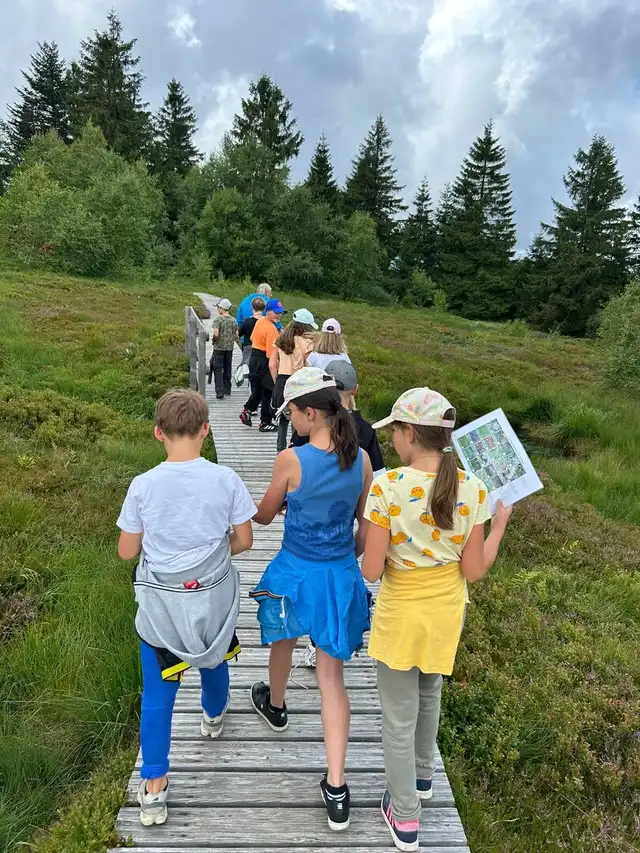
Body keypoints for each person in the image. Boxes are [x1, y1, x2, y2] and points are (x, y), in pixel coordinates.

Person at [360, 388, 512, 852]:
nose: (393, 443)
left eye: (396, 433)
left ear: (409, 433)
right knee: (430, 693)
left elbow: (370, 569)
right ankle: (423, 778)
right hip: (447, 612)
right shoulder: (473, 488)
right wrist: (500, 523)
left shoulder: (387, 486)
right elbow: (474, 570)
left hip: (400, 614)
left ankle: (405, 815)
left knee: (397, 717)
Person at [116, 389, 256, 828]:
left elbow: (126, 551)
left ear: (159, 432)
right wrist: (211, 560)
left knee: (158, 696)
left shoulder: (143, 485)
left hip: (161, 611)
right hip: (211, 601)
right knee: (214, 659)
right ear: (206, 430)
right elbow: (246, 540)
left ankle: (154, 790)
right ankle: (214, 717)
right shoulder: (226, 479)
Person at [249, 368, 373, 832]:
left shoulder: (290, 459)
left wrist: (279, 505)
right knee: (331, 679)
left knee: (282, 632)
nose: (291, 421)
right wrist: (343, 557)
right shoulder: (360, 458)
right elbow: (362, 525)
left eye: (293, 413)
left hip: (295, 568)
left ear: (310, 413)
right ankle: (337, 788)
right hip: (339, 574)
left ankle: (276, 705)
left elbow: (262, 517)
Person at [270, 308, 318, 452]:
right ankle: (295, 450)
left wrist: (277, 382)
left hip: (281, 381)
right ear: (305, 327)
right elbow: (308, 365)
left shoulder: (280, 340)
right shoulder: (307, 343)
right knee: (297, 419)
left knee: (283, 420)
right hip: (298, 382)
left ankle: (280, 451)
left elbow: (272, 364)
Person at [240, 299, 287, 432]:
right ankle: (265, 422)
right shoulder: (272, 330)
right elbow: (271, 357)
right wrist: (276, 378)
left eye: (281, 313)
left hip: (254, 358)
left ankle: (247, 410)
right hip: (264, 360)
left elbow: (251, 338)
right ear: (268, 311)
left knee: (257, 390)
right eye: (276, 313)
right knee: (268, 391)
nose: (279, 316)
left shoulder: (260, 321)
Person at [208, 298, 237, 399]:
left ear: (222, 308)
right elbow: (236, 334)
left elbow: (216, 333)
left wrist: (214, 340)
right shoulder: (234, 320)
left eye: (218, 308)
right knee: (228, 367)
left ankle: (219, 391)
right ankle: (227, 389)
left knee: (218, 368)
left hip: (219, 348)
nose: (217, 310)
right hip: (229, 348)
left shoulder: (218, 319)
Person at [236, 296, 267, 387]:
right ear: (264, 308)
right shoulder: (267, 322)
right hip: (263, 350)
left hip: (248, 348)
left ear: (252, 307)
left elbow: (239, 334)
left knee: (248, 368)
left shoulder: (247, 321)